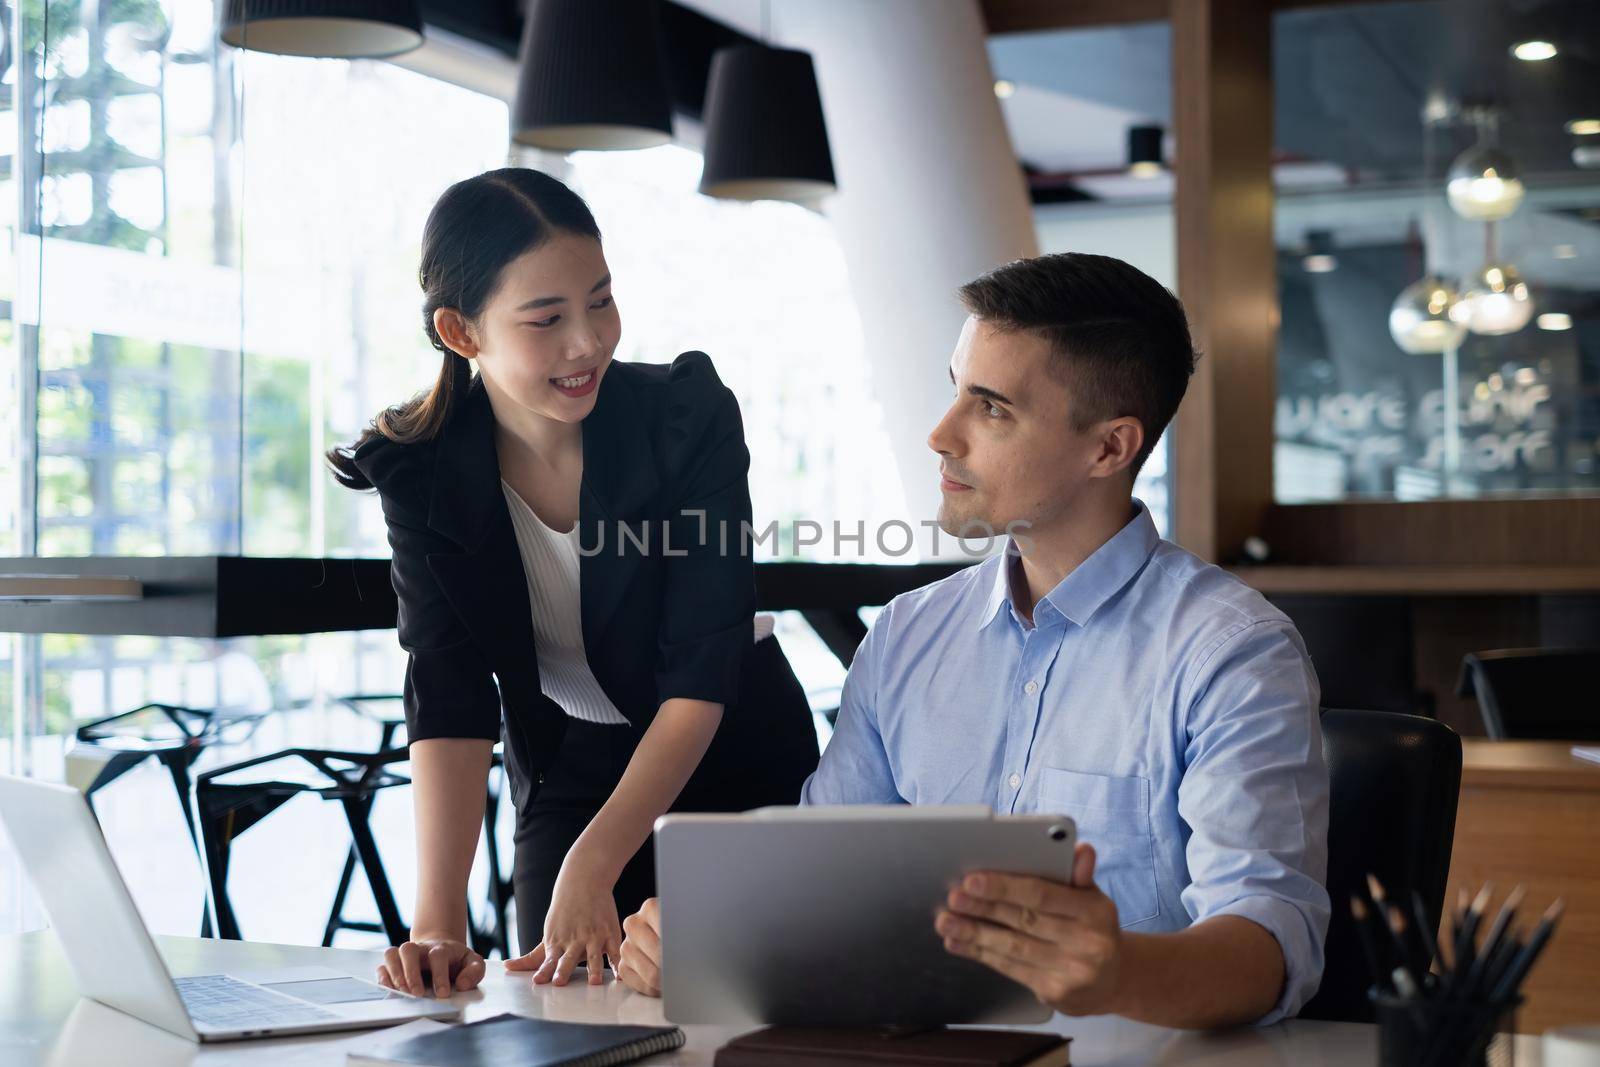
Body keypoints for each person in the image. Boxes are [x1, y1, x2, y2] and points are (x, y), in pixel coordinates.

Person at [614, 253, 1329, 1029]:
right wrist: (713, 935)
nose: (939, 433)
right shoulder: (903, 636)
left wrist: (1118, 970)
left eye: (990, 408)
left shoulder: (1232, 652)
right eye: (955, 387)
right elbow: (825, 887)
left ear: (1109, 449)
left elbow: (1270, 945)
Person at [326, 168, 819, 998]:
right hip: (575, 760)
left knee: (731, 1012)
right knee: (559, 1009)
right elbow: (448, 693)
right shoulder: (421, 470)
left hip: (731, 741)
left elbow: (702, 669)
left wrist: (595, 860)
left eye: (601, 301)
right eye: (547, 318)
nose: (587, 341)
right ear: (461, 331)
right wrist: (438, 924)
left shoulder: (686, 417)